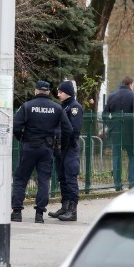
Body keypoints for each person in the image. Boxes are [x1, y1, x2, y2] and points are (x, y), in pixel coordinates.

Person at [11, 80, 73, 223]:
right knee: (44, 180)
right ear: (48, 92)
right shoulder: (56, 108)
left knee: (21, 178)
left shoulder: (27, 106)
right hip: (47, 148)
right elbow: (68, 129)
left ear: (36, 91)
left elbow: (16, 126)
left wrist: (20, 138)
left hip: (29, 146)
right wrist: (62, 145)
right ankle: (39, 214)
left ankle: (17, 212)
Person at [49, 81, 83, 222]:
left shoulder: (74, 107)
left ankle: (72, 210)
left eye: (60, 92)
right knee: (62, 178)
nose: (58, 94)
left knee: (70, 178)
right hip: (61, 148)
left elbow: (74, 130)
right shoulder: (63, 106)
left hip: (69, 148)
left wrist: (63, 143)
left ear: (67, 92)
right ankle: (65, 206)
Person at [104, 76, 134, 190]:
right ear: (131, 84)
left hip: (115, 131)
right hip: (128, 131)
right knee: (132, 156)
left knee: (116, 156)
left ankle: (117, 184)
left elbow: (104, 114)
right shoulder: (132, 95)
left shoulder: (112, 96)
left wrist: (110, 125)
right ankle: (131, 182)